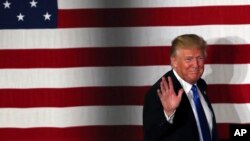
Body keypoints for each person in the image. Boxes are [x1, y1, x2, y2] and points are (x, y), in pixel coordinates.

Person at [143, 34, 219, 141]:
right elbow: (151, 136)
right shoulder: (159, 92)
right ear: (174, 61)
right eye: (189, 59)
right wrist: (168, 114)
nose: (196, 65)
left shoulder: (200, 85)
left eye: (200, 58)